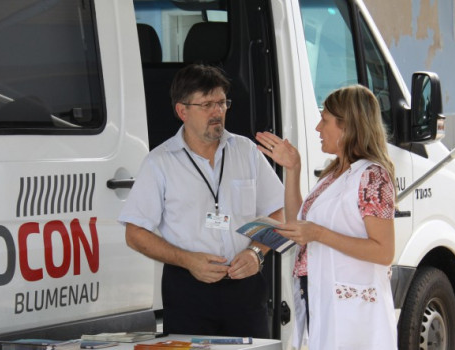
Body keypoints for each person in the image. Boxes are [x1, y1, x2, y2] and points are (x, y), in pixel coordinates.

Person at [118, 64, 284, 337]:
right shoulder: (159, 162)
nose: (217, 112)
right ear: (182, 111)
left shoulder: (246, 152)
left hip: (245, 285)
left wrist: (257, 252)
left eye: (221, 103)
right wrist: (187, 260)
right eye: (207, 104)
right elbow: (134, 234)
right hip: (188, 288)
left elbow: (279, 214)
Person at [256, 84, 397, 349]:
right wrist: (292, 169)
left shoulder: (372, 176)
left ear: (347, 126)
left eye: (325, 120)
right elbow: (298, 224)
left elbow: (384, 251)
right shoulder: (334, 174)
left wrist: (318, 234)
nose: (318, 128)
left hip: (352, 312)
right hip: (320, 295)